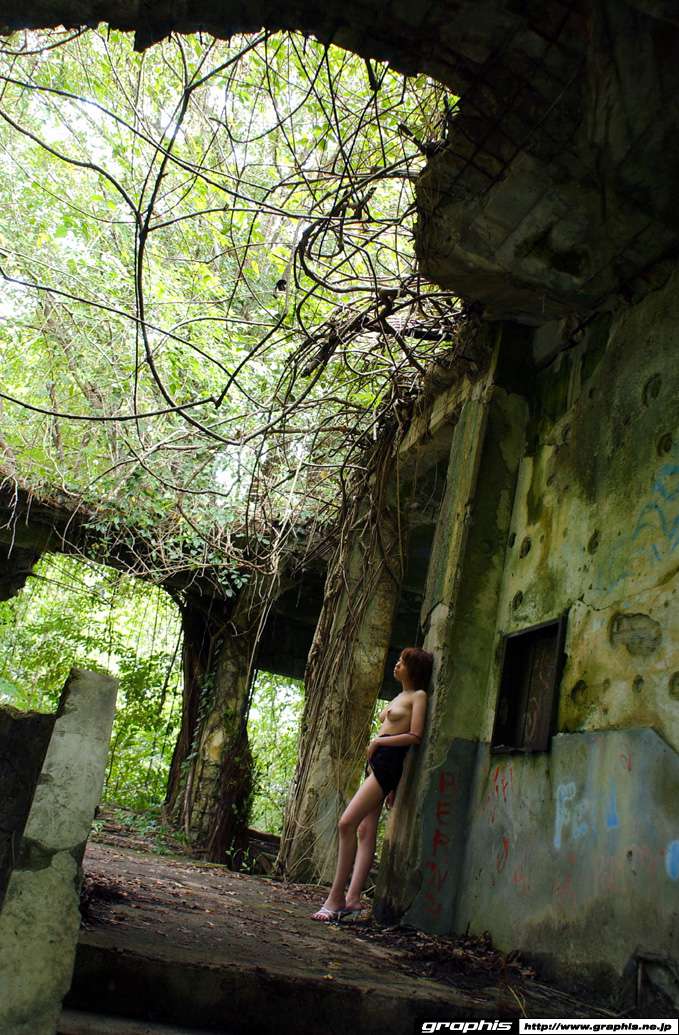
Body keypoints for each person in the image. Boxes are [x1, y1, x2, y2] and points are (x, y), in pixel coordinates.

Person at [311, 646, 433, 922]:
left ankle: (335, 898)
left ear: (414, 669)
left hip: (387, 763)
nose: (397, 664)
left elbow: (415, 736)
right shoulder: (399, 696)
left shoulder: (418, 696)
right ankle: (352, 900)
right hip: (378, 764)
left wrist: (378, 741)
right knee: (365, 831)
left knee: (346, 823)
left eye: (402, 662)